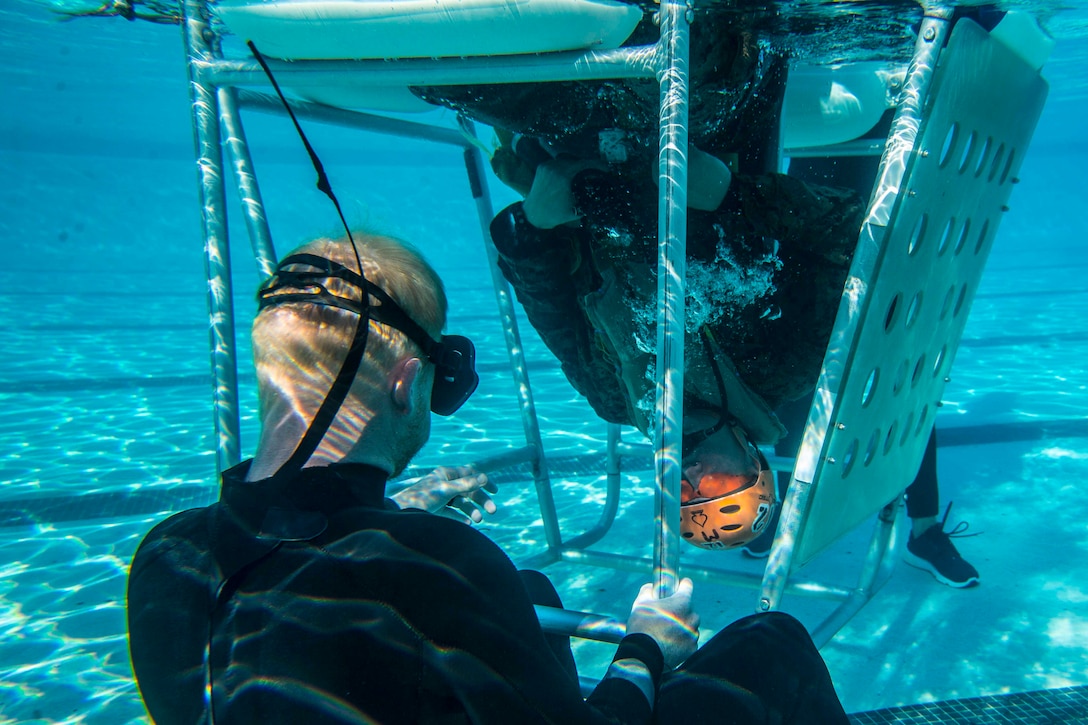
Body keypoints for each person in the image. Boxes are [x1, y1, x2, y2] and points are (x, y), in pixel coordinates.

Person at [126, 231, 851, 722]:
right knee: (773, 640)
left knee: (530, 595)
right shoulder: (435, 563)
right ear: (409, 383)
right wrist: (644, 649)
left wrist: (387, 509)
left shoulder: (168, 557)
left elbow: (296, 585)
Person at [417, 3, 982, 574]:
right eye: (719, 485)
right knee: (666, 38)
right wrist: (736, 192)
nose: (692, 479)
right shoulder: (792, 360)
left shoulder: (613, 397)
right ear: (753, 456)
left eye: (686, 502)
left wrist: (535, 224)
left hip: (575, 149)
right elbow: (859, 238)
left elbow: (543, 298)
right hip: (700, 122)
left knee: (435, 63)